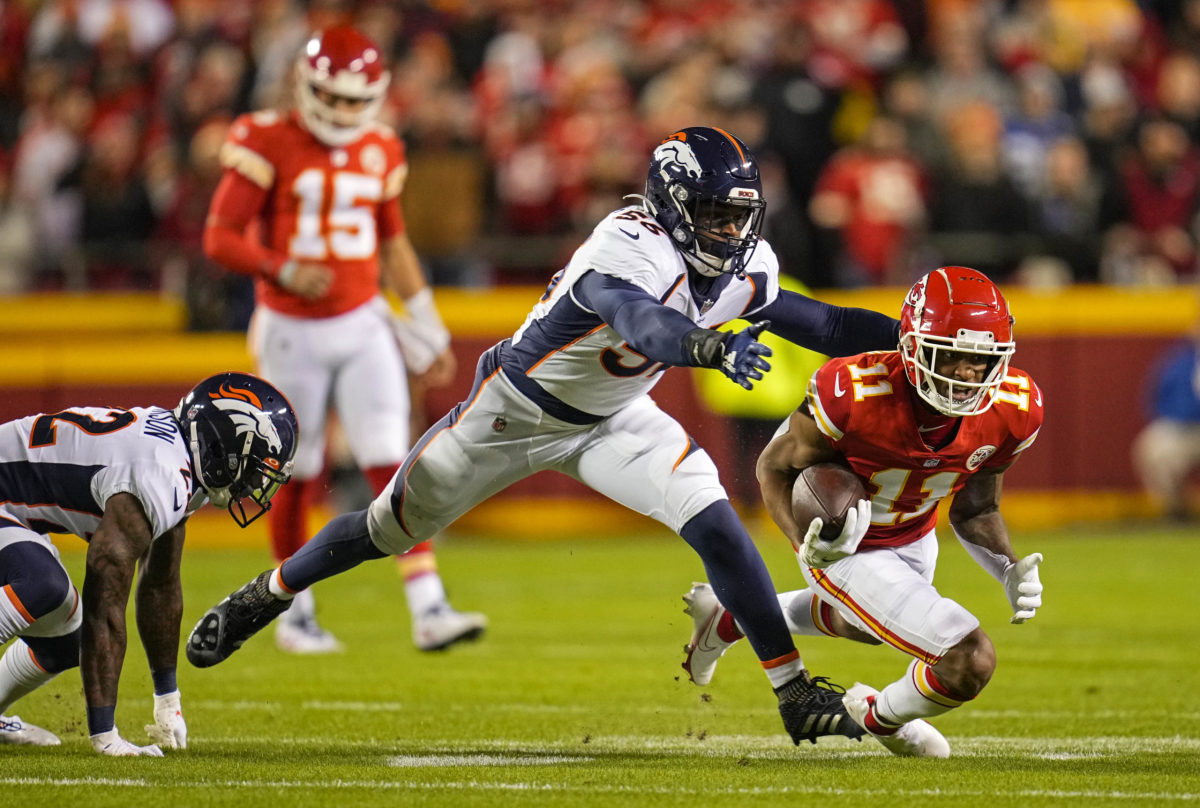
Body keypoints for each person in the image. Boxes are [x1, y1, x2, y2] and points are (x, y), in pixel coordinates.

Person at [187, 125, 901, 746]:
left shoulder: (748, 266)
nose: (729, 233)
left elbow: (831, 327)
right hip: (513, 413)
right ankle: (269, 593)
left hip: (617, 415)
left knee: (713, 517)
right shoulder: (627, 243)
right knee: (386, 528)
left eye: (738, 216)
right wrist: (707, 349)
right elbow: (640, 321)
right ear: (671, 205)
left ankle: (794, 694)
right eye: (712, 215)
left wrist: (914, 340)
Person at [680, 266, 1045, 757]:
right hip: (841, 540)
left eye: (980, 359)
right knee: (967, 658)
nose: (965, 373)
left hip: (913, 533)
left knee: (862, 625)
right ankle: (882, 718)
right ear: (912, 346)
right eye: (952, 354)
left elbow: (977, 506)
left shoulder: (1015, 407)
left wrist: (1005, 566)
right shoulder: (854, 390)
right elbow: (773, 468)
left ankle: (729, 618)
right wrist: (807, 543)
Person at [202, 25, 486, 654]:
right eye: (333, 97)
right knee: (293, 469)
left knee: (394, 456)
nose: (342, 112)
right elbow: (219, 234)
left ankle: (428, 604)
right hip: (291, 328)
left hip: (362, 319)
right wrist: (279, 267)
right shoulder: (265, 137)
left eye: (356, 100)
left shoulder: (383, 146)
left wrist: (427, 328)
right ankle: (293, 609)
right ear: (306, 87)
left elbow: (394, 244)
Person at [0, 372, 297, 754]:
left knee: (63, 637)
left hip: (12, 509)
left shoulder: (181, 466)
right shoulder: (159, 473)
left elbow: (160, 584)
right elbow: (104, 603)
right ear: (224, 443)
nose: (256, 481)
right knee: (42, 585)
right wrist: (105, 737)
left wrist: (167, 699)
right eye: (254, 465)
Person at [1131, 324, 1200, 520]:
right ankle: (1177, 511)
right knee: (1153, 447)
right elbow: (1156, 399)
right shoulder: (1179, 361)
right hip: (1184, 430)